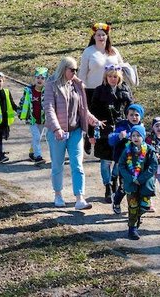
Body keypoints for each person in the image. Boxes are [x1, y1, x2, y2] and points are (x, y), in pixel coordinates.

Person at [43, 56, 101, 209]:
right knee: (57, 165)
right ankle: (58, 195)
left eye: (76, 70)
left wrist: (93, 120)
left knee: (77, 165)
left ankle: (79, 198)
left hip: (75, 131)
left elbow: (83, 109)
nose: (75, 73)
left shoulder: (77, 85)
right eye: (72, 70)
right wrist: (56, 129)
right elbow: (49, 108)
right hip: (57, 133)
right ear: (64, 69)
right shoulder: (51, 84)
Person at [89, 66, 133, 202]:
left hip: (120, 129)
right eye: (110, 76)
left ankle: (114, 179)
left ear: (119, 77)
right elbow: (92, 113)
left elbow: (131, 110)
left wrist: (133, 128)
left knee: (120, 160)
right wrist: (91, 133)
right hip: (103, 130)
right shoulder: (99, 91)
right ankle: (107, 185)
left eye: (115, 77)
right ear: (105, 77)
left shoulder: (124, 90)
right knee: (105, 161)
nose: (112, 79)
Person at [117, 125, 157, 240]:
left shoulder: (149, 150)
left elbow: (153, 166)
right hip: (131, 182)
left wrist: (141, 179)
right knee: (133, 205)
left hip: (145, 183)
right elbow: (122, 165)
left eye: (138, 135)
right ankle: (132, 229)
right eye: (133, 135)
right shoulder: (127, 150)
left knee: (145, 205)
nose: (135, 138)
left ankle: (137, 218)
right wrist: (130, 178)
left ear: (143, 137)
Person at [79, 23, 137, 102]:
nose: (101, 37)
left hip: (113, 90)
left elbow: (121, 69)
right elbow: (82, 73)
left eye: (103, 35)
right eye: (98, 35)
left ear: (107, 36)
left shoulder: (114, 51)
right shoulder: (88, 51)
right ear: (94, 36)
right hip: (93, 91)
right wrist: (81, 90)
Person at [108, 103, 146, 214]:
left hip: (139, 163)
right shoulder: (122, 126)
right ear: (127, 115)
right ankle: (116, 201)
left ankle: (137, 208)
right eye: (131, 115)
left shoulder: (142, 128)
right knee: (125, 186)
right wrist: (119, 136)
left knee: (138, 186)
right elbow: (111, 140)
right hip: (124, 163)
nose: (134, 117)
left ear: (141, 116)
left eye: (137, 115)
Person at [19, 67, 50, 164]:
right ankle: (38, 156)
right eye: (38, 77)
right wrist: (20, 112)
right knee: (36, 137)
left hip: (42, 119)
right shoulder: (29, 90)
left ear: (45, 80)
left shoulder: (47, 92)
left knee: (38, 138)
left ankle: (32, 153)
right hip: (31, 119)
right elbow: (22, 102)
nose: (39, 80)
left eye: (42, 78)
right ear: (34, 78)